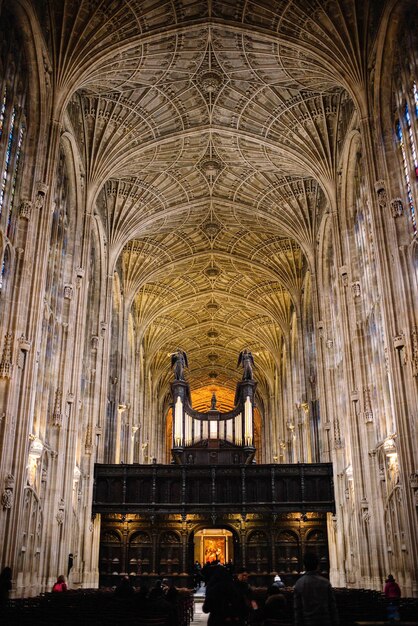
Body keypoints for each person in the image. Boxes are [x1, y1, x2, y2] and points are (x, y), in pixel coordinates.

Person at [293, 553, 339, 626]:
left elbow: (298, 609)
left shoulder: (299, 584)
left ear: (304, 566)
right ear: (317, 565)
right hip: (325, 621)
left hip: (307, 622)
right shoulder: (325, 582)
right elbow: (332, 607)